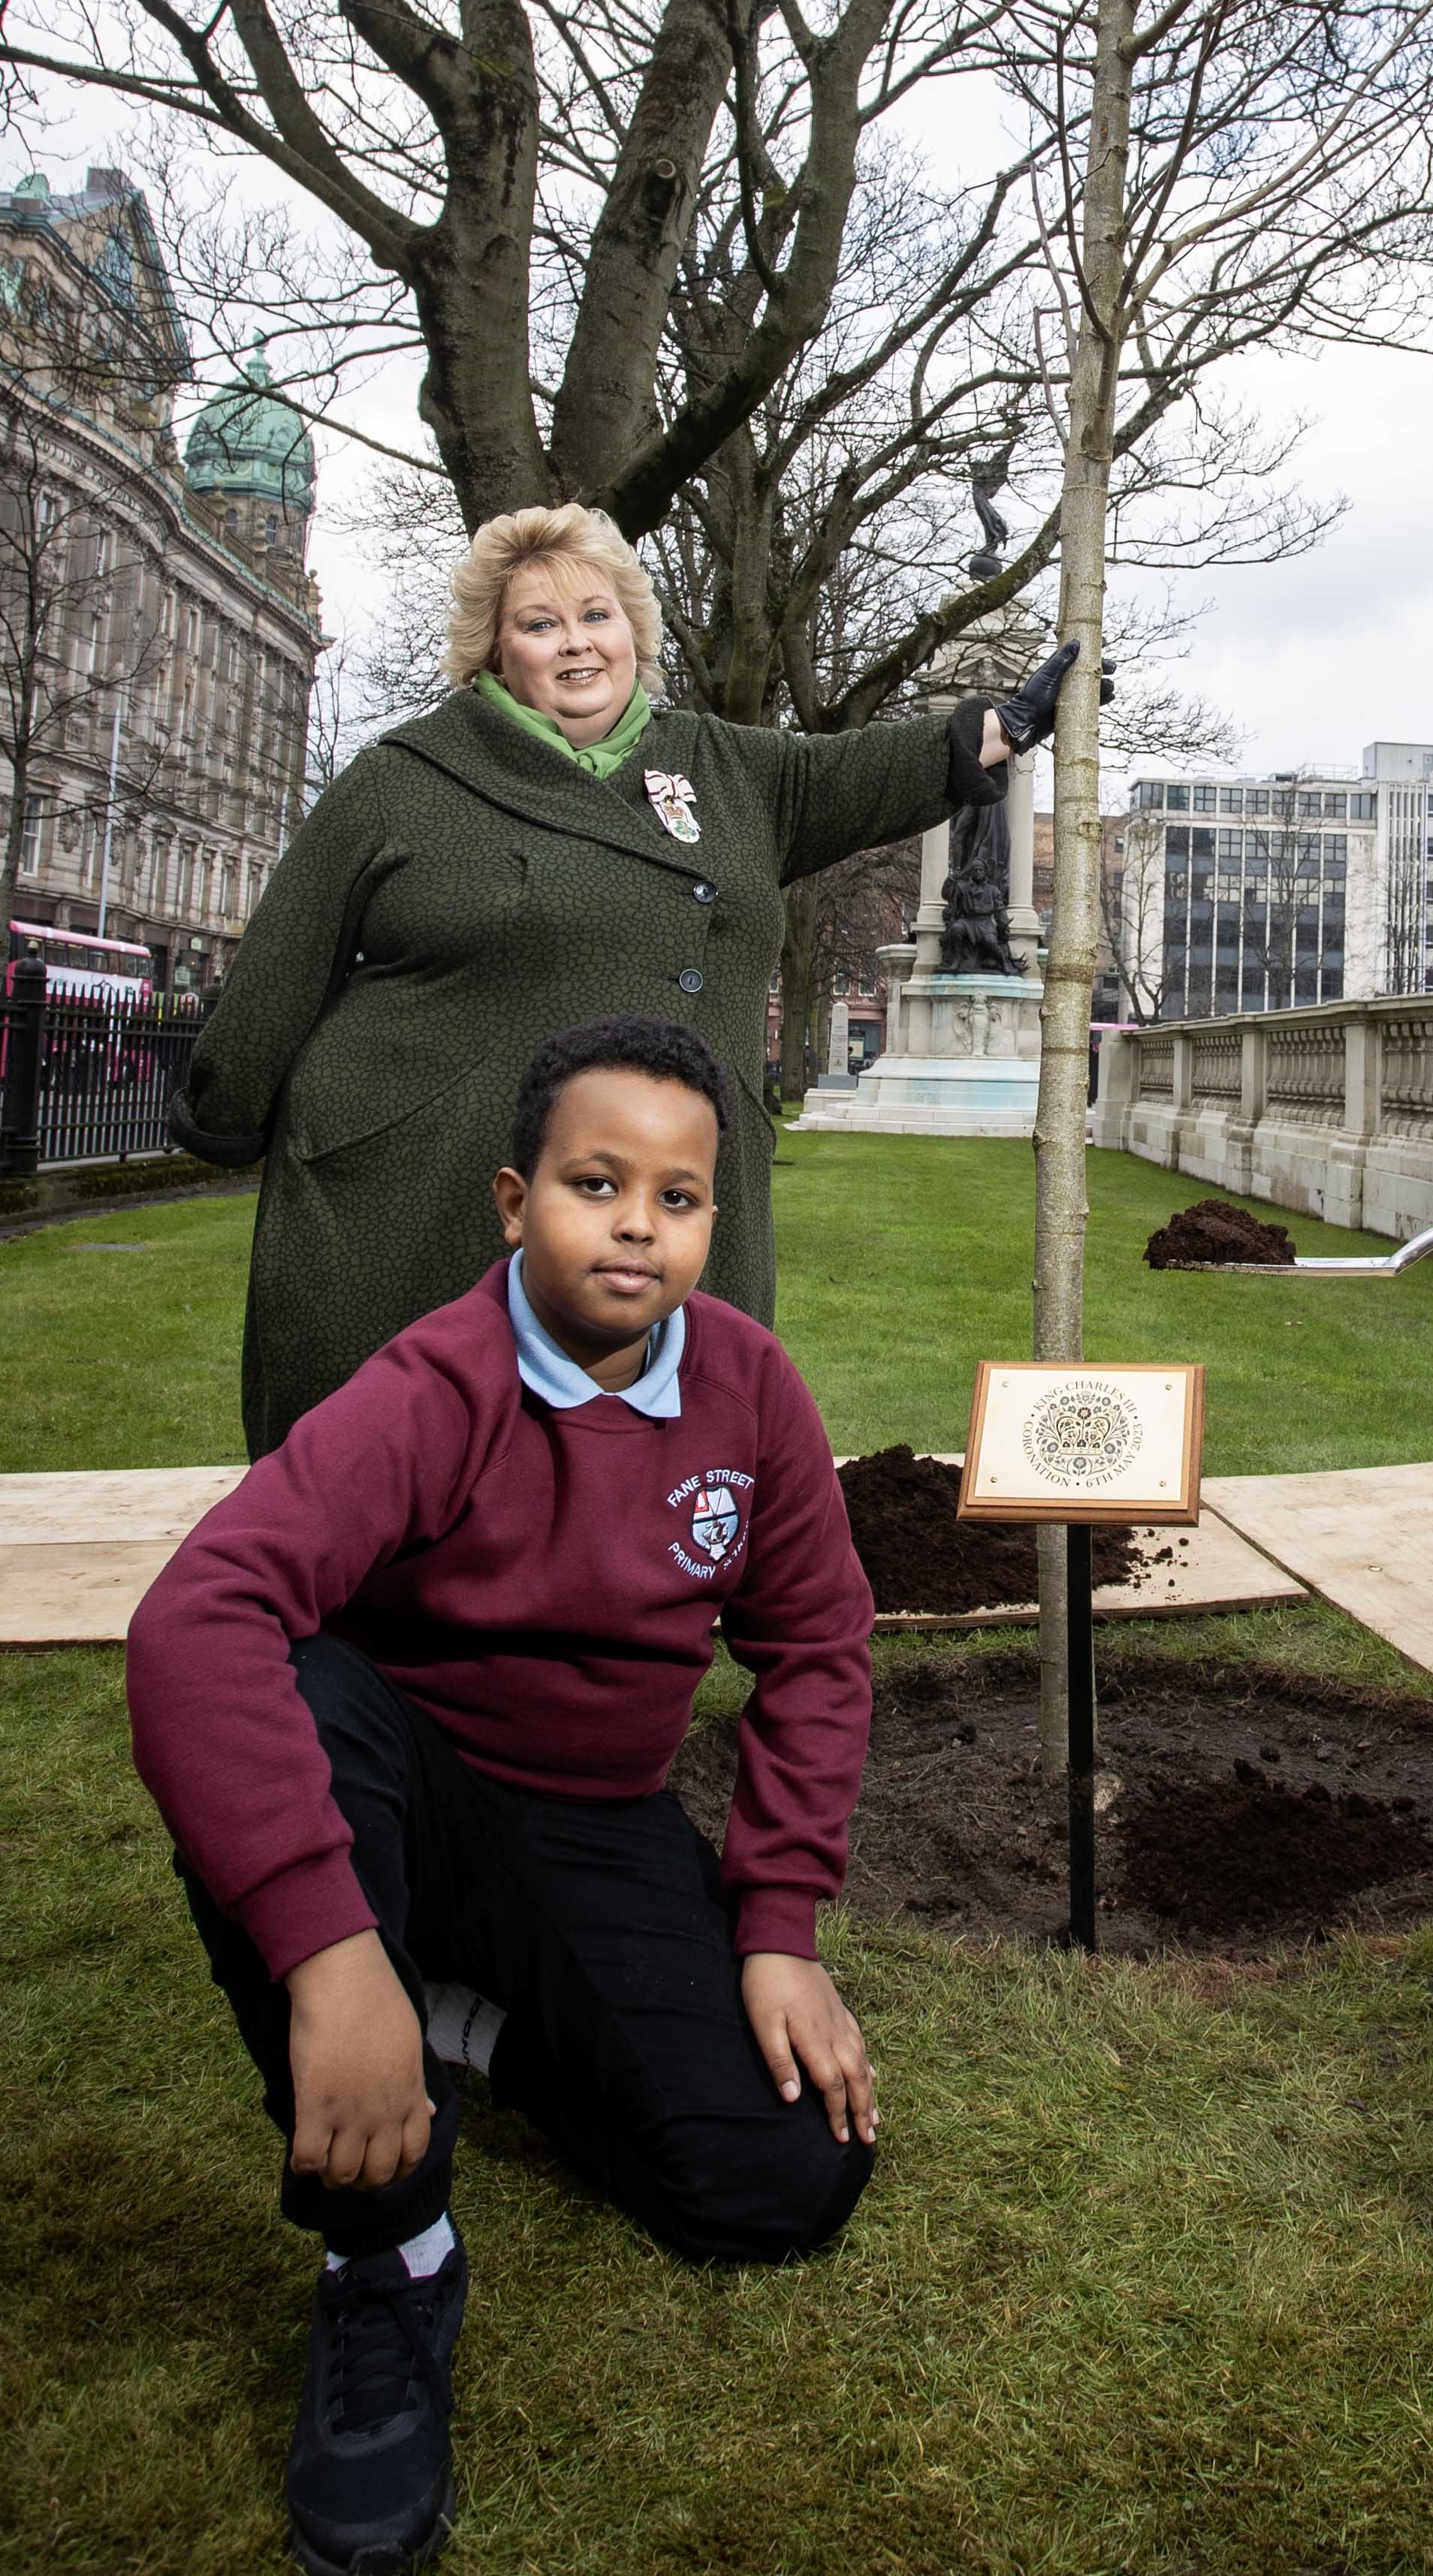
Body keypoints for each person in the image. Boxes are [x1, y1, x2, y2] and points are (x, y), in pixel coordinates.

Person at [128, 1014, 880, 2576]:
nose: (636, 1222)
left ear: (712, 1220)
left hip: (592, 1814)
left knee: (781, 2177)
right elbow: (197, 1618)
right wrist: (331, 1954)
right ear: (510, 1199)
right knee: (301, 1690)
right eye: (594, 1181)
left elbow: (813, 1643)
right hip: (400, 1784)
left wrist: (780, 1920)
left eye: (678, 1196)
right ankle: (388, 2258)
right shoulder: (437, 1381)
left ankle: (466, 2011)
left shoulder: (749, 1385)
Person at [172, 501, 1076, 1454]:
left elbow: (857, 769)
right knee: (410, 1479)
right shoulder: (404, 777)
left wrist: (995, 729)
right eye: (539, 624)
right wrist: (226, 1106)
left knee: (655, 1477)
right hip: (430, 1187)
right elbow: (283, 958)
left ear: (633, 634)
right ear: (492, 650)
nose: (576, 646)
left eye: (597, 616)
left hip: (665, 1188)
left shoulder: (724, 767)